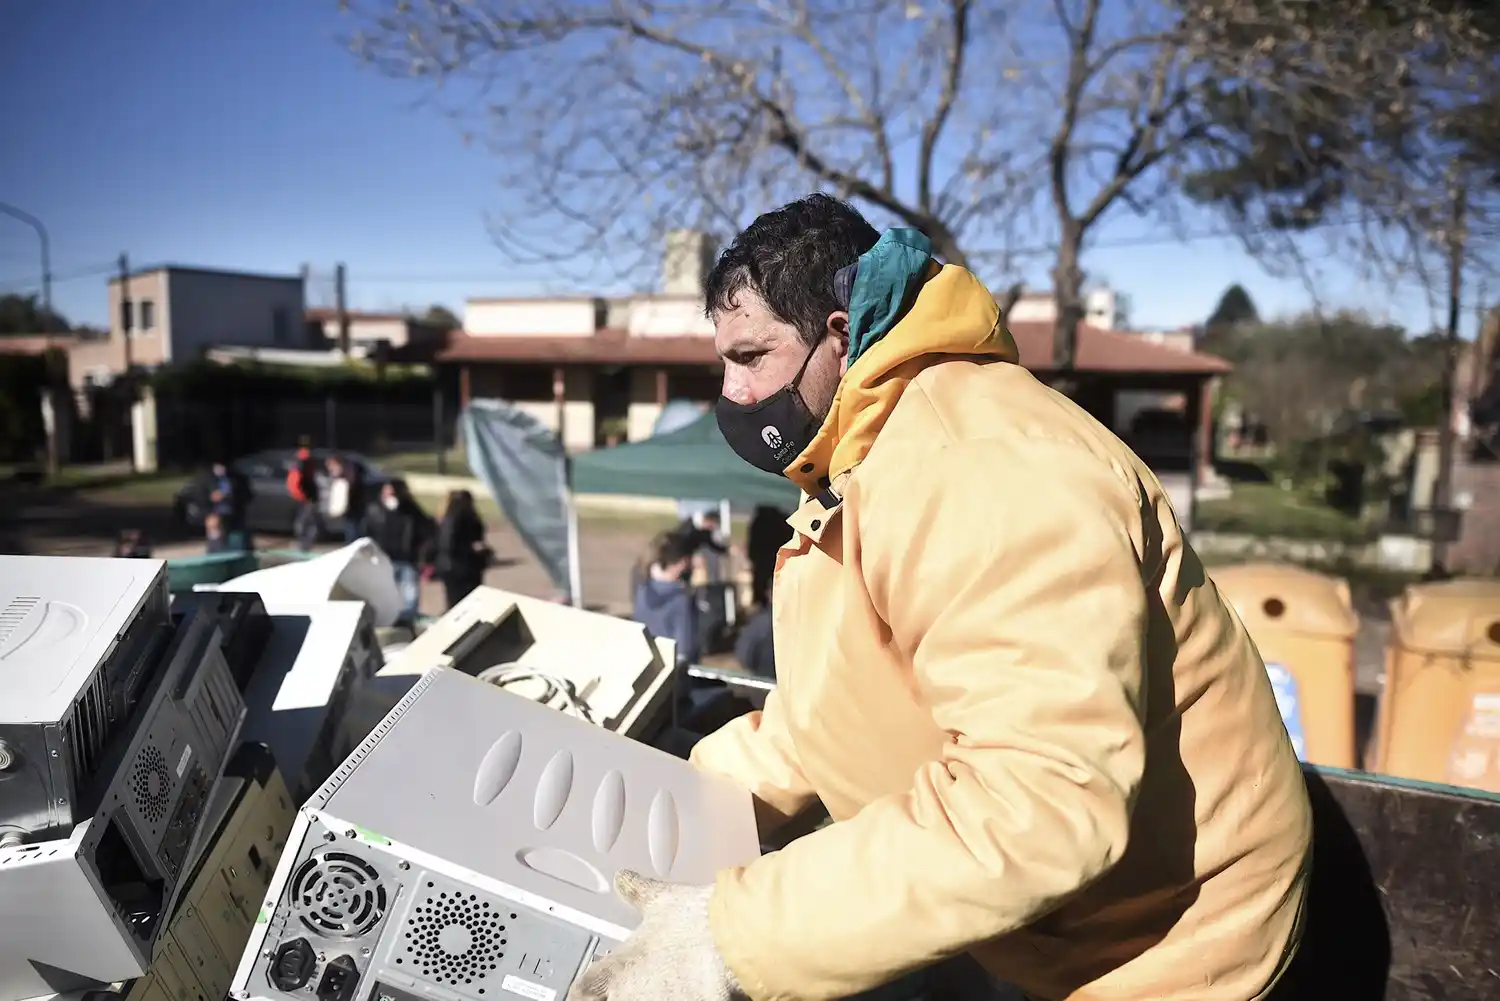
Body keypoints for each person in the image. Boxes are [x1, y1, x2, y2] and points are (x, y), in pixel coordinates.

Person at [567, 195, 1312, 1001]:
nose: (733, 392)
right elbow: (842, 699)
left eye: (752, 356)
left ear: (840, 334)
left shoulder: (979, 467)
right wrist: (679, 805)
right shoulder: (871, 450)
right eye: (725, 361)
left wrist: (731, 936)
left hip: (1163, 949)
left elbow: (1039, 799)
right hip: (1055, 923)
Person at [363, 479, 435, 626]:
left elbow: (427, 529)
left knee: (410, 594)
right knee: (383, 593)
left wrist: (421, 550)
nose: (389, 494)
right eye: (387, 491)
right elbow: (366, 531)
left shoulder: (411, 510)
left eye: (393, 491)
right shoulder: (375, 510)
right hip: (383, 559)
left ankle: (409, 622)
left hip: (407, 559)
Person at [632, 531, 700, 669]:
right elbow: (684, 650)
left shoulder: (642, 589)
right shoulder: (681, 600)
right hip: (673, 675)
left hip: (643, 666)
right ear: (682, 563)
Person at [435, 489, 489, 610]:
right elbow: (450, 543)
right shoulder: (461, 516)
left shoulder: (446, 516)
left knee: (456, 602)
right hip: (462, 567)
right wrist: (474, 549)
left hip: (452, 566)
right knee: (464, 603)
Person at [745, 504, 792, 610]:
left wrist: (752, 557)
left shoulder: (758, 522)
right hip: (779, 558)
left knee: (760, 582)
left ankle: (761, 603)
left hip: (762, 558)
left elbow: (753, 542)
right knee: (781, 584)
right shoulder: (781, 519)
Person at [287, 443, 321, 551]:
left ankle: (304, 543)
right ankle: (304, 544)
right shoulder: (301, 470)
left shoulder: (300, 469)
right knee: (306, 523)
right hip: (305, 499)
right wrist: (304, 498)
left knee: (305, 522)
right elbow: (296, 486)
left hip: (305, 499)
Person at [322, 455, 359, 544]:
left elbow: (347, 490)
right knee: (349, 528)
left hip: (353, 507)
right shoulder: (346, 474)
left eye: (331, 466)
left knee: (352, 529)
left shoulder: (347, 475)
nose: (331, 470)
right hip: (349, 508)